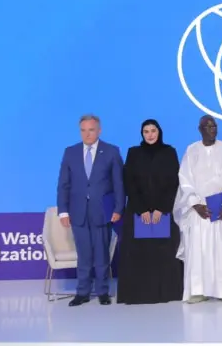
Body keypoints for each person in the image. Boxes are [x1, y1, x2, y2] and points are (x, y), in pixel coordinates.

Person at [172, 115, 222, 303]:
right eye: (207, 126)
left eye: (214, 126)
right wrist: (195, 204)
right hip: (199, 211)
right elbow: (185, 181)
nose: (212, 129)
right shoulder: (191, 150)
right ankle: (198, 291)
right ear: (200, 129)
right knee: (199, 252)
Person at [56, 114, 125, 307]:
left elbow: (119, 184)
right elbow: (63, 184)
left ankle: (103, 292)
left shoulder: (111, 151)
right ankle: (82, 292)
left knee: (102, 254)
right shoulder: (70, 152)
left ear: (99, 130)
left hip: (102, 212)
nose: (87, 134)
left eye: (91, 130)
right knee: (83, 255)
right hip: (78, 212)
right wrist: (63, 211)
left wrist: (118, 208)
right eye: (83, 130)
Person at [117, 119, 184, 305]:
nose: (150, 135)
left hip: (164, 212)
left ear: (159, 132)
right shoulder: (134, 153)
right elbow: (129, 182)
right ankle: (139, 294)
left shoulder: (169, 152)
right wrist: (142, 210)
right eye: (146, 131)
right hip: (138, 212)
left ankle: (166, 293)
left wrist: (161, 209)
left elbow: (174, 183)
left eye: (153, 130)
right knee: (139, 254)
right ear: (142, 134)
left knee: (164, 253)